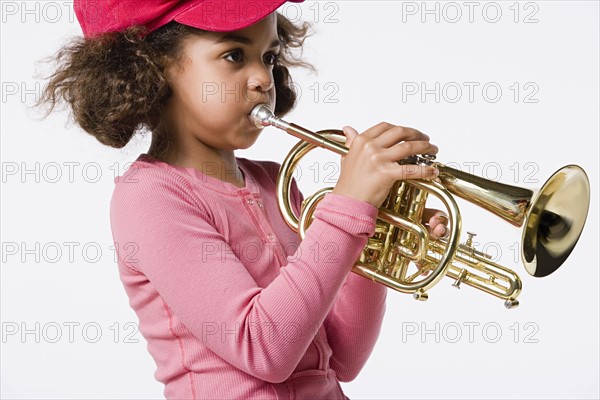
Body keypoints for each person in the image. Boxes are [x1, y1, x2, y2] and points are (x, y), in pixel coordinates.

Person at [37, 0, 447, 398]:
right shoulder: (150, 197)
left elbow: (345, 359)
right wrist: (346, 209)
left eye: (268, 57)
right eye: (234, 55)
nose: (263, 79)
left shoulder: (274, 183)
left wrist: (371, 236)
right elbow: (264, 348)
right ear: (153, 67)